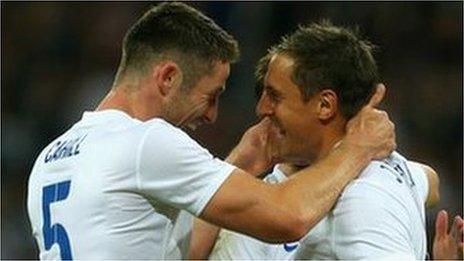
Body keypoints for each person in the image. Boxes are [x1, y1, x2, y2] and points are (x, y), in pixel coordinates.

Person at [26, 3, 395, 260]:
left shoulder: (51, 158)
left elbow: (179, 253)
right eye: (211, 95)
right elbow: (289, 217)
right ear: (168, 77)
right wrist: (357, 148)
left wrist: (239, 163)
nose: (213, 115)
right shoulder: (145, 142)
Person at [202, 22, 463, 260]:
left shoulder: (363, 199)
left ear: (325, 105)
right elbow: (429, 181)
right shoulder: (283, 181)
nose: (261, 109)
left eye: (275, 96)